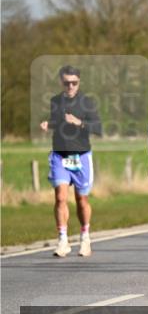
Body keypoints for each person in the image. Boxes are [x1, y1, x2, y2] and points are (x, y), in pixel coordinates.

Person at [41, 65, 102, 258]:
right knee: (60, 197)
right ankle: (63, 240)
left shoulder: (87, 102)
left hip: (81, 156)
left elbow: (98, 128)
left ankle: (85, 237)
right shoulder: (55, 101)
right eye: (67, 82)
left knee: (81, 200)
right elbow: (57, 121)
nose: (70, 86)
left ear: (79, 82)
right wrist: (47, 124)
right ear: (62, 82)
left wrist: (79, 123)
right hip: (60, 155)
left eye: (74, 82)